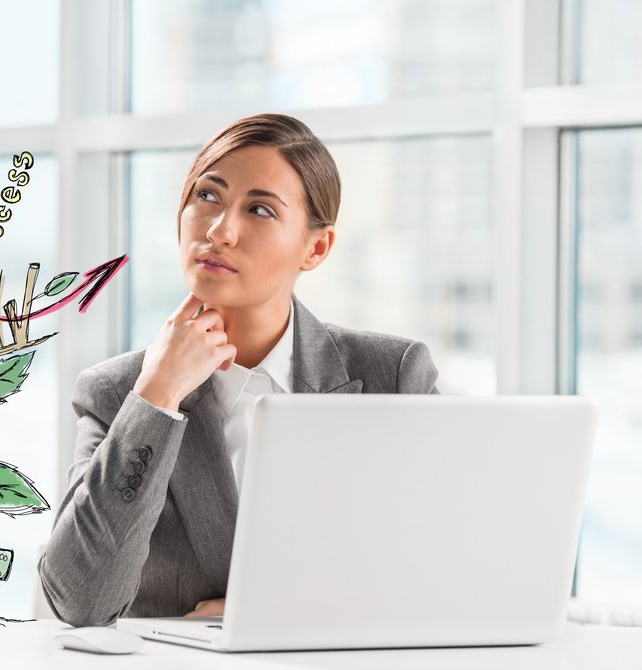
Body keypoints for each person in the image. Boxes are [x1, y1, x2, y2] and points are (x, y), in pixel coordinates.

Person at [38, 113, 439, 628]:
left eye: (260, 210)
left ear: (315, 248)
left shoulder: (392, 376)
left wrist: (281, 612)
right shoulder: (117, 391)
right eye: (207, 196)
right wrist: (157, 397)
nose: (220, 230)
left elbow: (436, 569)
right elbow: (79, 600)